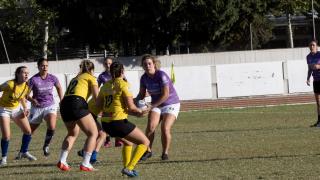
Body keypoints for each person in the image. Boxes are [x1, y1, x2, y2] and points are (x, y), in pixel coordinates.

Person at [96, 62, 150, 177]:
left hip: (106, 124)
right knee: (145, 142)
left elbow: (98, 105)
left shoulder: (105, 86)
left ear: (110, 72)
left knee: (128, 143)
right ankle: (130, 168)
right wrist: (142, 111)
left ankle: (126, 169)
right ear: (122, 71)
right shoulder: (123, 85)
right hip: (118, 122)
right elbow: (131, 107)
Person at [136, 54, 180, 161]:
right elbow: (141, 95)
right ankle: (148, 151)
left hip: (171, 103)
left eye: (149, 63)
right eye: (145, 64)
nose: (147, 66)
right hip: (156, 105)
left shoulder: (161, 75)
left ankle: (165, 153)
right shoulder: (144, 78)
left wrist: (151, 106)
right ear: (142, 66)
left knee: (165, 128)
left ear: (154, 64)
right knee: (151, 127)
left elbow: (165, 95)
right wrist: (133, 102)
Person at [57, 60, 98, 172]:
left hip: (64, 104)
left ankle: (62, 160)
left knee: (72, 133)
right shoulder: (91, 77)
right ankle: (86, 163)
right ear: (92, 70)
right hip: (77, 102)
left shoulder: (75, 78)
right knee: (93, 133)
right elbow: (96, 98)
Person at [25, 58, 63, 157]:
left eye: (46, 65)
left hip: (50, 105)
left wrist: (61, 99)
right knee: (30, 131)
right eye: (42, 65)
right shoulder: (33, 79)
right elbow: (25, 94)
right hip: (37, 108)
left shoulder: (52, 78)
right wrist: (32, 100)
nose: (45, 67)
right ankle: (23, 150)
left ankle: (46, 146)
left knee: (52, 125)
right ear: (38, 67)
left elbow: (59, 87)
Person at [0, 66, 37, 166]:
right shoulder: (10, 84)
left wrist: (25, 108)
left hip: (16, 109)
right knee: (6, 136)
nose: (26, 75)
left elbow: (21, 98)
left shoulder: (26, 85)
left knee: (28, 131)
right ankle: (3, 159)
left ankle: (23, 152)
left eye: (27, 73)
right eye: (24, 73)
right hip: (4, 110)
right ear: (17, 74)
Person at [97, 57, 123, 148]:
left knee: (117, 119)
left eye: (109, 63)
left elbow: (124, 84)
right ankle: (107, 140)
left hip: (116, 101)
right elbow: (97, 88)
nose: (108, 65)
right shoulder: (102, 76)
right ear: (104, 65)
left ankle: (118, 140)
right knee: (107, 120)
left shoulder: (118, 74)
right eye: (106, 64)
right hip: (107, 101)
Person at [307, 40, 320, 127]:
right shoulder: (308, 57)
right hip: (316, 80)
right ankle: (319, 121)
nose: (312, 46)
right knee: (318, 102)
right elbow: (310, 69)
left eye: (313, 45)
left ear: (317, 46)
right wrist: (308, 78)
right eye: (310, 45)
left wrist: (319, 66)